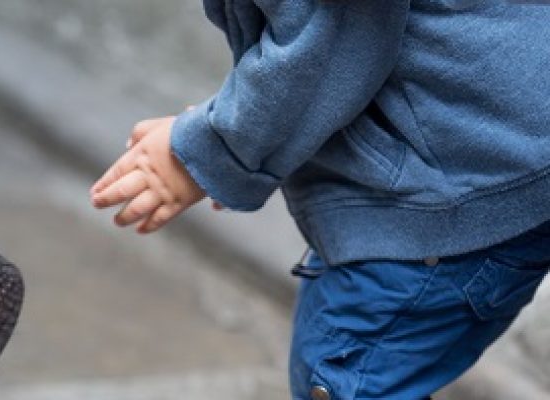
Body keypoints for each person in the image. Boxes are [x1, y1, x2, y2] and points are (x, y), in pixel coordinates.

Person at [90, 1, 550, 399]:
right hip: (506, 148)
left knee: (348, 371)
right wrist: (236, 141)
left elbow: (322, 48)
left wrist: (217, 151)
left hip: (452, 187)